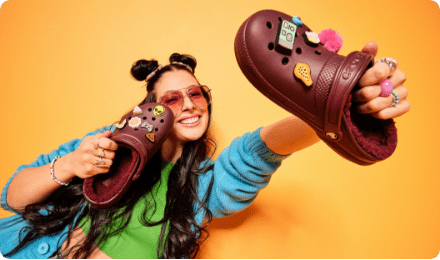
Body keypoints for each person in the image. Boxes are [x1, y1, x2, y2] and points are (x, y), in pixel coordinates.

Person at [0, 43, 410, 259]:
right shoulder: (101, 146)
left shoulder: (205, 187)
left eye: (196, 94)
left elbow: (261, 147)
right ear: (149, 109)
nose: (191, 103)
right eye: (173, 99)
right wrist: (71, 164)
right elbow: (13, 197)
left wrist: (333, 106)